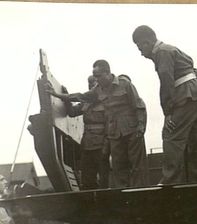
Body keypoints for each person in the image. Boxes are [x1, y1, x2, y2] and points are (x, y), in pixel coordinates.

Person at [48, 60, 148, 188]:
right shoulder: (97, 90)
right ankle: (124, 198)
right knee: (118, 167)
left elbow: (139, 105)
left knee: (137, 165)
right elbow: (80, 96)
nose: (96, 79)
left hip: (132, 130)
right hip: (115, 134)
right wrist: (56, 94)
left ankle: (141, 194)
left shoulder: (125, 84)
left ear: (107, 73)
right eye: (94, 76)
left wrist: (141, 125)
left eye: (98, 76)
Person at [132, 25, 197, 185]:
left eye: (140, 47)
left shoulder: (162, 52)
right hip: (196, 96)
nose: (141, 53)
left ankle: (170, 180)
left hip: (185, 95)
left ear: (147, 42)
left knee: (170, 135)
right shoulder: (170, 49)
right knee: (196, 139)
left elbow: (166, 81)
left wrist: (168, 112)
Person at [62, 75, 110, 189]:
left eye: (94, 84)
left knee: (104, 180)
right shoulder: (86, 103)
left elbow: (110, 125)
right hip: (87, 145)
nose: (91, 87)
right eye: (89, 84)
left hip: (101, 146)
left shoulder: (107, 101)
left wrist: (107, 145)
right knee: (87, 179)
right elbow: (72, 112)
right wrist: (66, 98)